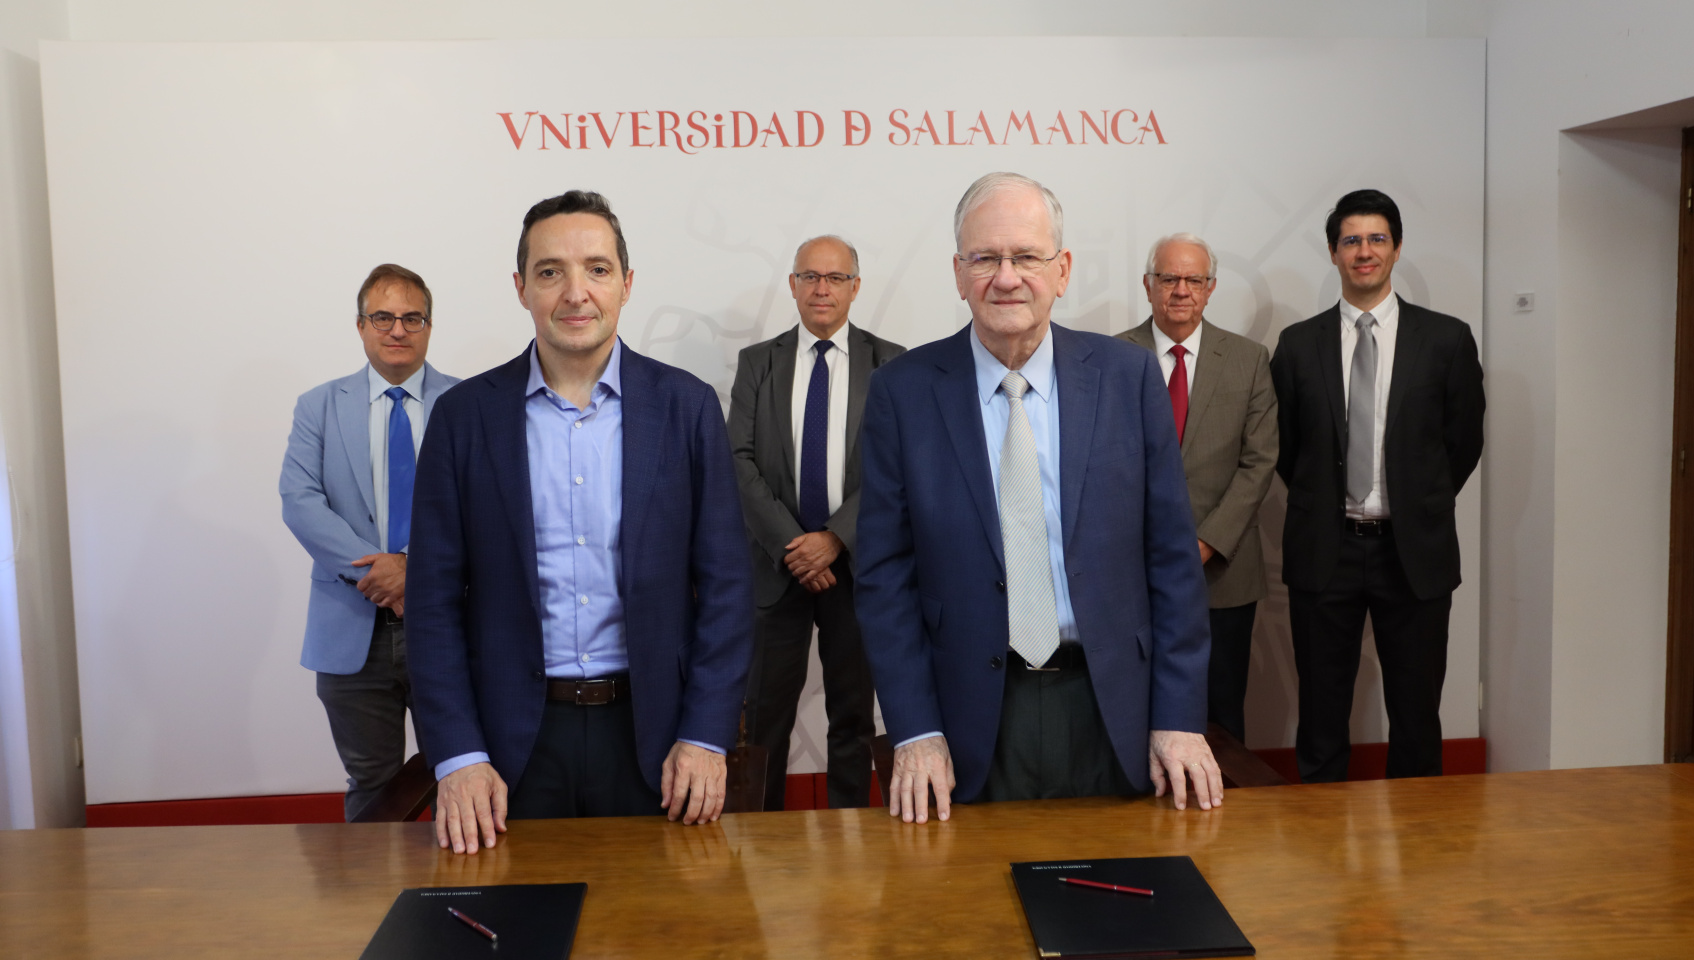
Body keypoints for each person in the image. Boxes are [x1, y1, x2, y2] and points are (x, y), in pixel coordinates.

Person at [855, 172, 1224, 823]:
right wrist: (914, 730)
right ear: (958, 270)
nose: (1006, 277)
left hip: (1114, 708)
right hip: (970, 719)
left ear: (1062, 269)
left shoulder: (1128, 378)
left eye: (1026, 257)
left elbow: (1170, 559)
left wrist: (1177, 716)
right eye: (985, 258)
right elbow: (885, 579)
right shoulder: (902, 393)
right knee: (973, 917)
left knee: (1130, 909)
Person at [407, 190, 753, 854]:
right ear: (521, 288)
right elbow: (432, 606)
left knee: (659, 937)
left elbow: (729, 590)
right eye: (549, 272)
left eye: (596, 269)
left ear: (627, 284)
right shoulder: (462, 420)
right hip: (508, 748)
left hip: (656, 738)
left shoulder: (686, 408)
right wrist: (457, 757)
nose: (575, 292)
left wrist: (706, 734)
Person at [1270, 188, 1485, 782]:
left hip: (1413, 551)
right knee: (1320, 712)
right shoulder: (1297, 345)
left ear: (1395, 249)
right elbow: (1286, 450)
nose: (1364, 251)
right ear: (1334, 253)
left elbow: (1463, 442)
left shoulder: (1446, 340)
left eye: (1376, 239)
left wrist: (1419, 503)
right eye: (1351, 241)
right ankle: (1323, 849)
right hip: (1325, 549)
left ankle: (1418, 854)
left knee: (1416, 716)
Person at [728, 235, 905, 810]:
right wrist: (793, 546)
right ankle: (759, 841)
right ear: (793, 286)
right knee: (765, 720)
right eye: (810, 277)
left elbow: (894, 467)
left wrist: (834, 540)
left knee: (853, 716)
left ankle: (852, 837)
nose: (821, 288)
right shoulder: (760, 362)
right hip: (777, 570)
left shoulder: (892, 364)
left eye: (834, 278)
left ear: (856, 287)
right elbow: (739, 460)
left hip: (855, 568)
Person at [280, 263, 459, 821]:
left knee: (464, 770)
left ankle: (460, 898)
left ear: (429, 326)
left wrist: (414, 570)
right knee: (372, 783)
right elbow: (301, 501)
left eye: (412, 317)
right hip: (349, 626)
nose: (397, 329)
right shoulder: (319, 406)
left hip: (448, 625)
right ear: (361, 326)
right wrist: (378, 572)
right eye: (383, 317)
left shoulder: (467, 403)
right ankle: (370, 906)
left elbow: (484, 511)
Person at [1115, 234, 1278, 743]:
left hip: (1223, 574)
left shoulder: (1249, 359)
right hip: (1131, 571)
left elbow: (1259, 462)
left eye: (1193, 280)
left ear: (1210, 289)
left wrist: (1205, 543)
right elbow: (1098, 464)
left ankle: (1225, 815)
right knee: (1135, 704)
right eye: (1168, 278)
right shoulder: (1111, 358)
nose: (1180, 290)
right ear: (1148, 286)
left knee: (1221, 708)